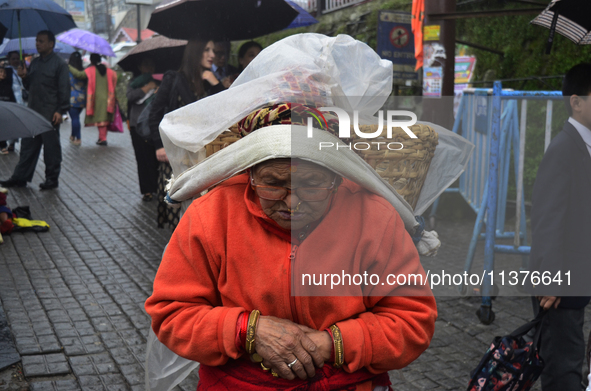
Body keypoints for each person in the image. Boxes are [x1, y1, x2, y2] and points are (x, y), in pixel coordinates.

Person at [144, 104, 437, 390]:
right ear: (251, 174)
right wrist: (248, 331)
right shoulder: (211, 215)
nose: (292, 203)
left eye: (311, 184)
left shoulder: (374, 217)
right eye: (274, 183)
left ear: (337, 177)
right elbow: (172, 313)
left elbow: (412, 321)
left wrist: (331, 344)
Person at [529, 63, 591, 391]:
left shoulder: (585, 146)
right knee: (562, 366)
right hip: (560, 283)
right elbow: (547, 219)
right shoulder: (563, 149)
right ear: (577, 102)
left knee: (573, 357)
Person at [148, 39, 225, 230]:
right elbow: (155, 113)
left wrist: (215, 84)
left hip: (202, 155)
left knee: (200, 211)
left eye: (213, 50)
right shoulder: (174, 79)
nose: (212, 55)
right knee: (177, 210)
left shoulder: (208, 82)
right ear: (195, 52)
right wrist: (158, 145)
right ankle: (179, 254)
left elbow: (225, 109)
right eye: (206, 50)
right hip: (176, 155)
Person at [0, 30, 70, 190]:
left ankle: (52, 179)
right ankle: (20, 177)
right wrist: (25, 76)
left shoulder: (59, 64)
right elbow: (29, 87)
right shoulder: (35, 63)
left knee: (51, 150)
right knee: (27, 147)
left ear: (51, 44)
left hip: (50, 114)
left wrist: (60, 110)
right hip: (33, 112)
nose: (37, 44)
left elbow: (64, 89)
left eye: (41, 41)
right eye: (37, 41)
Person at [126, 57, 159, 202]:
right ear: (139, 66)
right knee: (142, 158)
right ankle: (147, 190)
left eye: (151, 63)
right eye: (146, 64)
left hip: (155, 123)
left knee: (154, 157)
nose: (149, 67)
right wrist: (146, 88)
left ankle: (158, 186)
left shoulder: (159, 80)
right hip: (136, 125)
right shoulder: (133, 82)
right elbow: (130, 97)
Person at [68, 53, 118, 146]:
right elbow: (115, 77)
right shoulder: (108, 71)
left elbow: (79, 75)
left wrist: (69, 67)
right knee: (104, 119)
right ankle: (102, 138)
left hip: (96, 98)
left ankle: (102, 139)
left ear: (91, 60)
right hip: (108, 97)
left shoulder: (90, 70)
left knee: (100, 119)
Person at [1, 51, 26, 153]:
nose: (15, 61)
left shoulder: (24, 69)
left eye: (17, 59)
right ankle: (6, 142)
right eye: (13, 59)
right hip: (10, 100)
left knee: (17, 123)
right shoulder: (7, 71)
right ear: (9, 59)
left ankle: (12, 143)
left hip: (22, 100)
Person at [67, 52, 86, 146]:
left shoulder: (68, 71)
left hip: (72, 98)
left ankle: (78, 138)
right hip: (82, 98)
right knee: (76, 118)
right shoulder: (83, 71)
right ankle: (72, 136)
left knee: (75, 119)